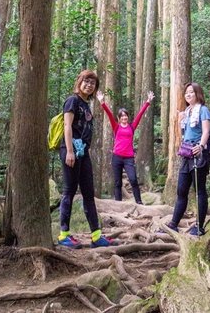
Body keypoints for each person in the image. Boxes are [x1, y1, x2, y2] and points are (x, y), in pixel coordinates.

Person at [58, 69, 115, 249]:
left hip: (83, 153)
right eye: (86, 81)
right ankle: (63, 235)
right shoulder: (72, 101)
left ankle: (96, 236)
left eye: (92, 83)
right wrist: (69, 151)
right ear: (79, 82)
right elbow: (67, 127)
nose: (89, 85)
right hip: (71, 151)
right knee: (69, 191)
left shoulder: (86, 104)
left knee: (89, 193)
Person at [164, 82, 210, 237]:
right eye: (186, 93)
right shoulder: (187, 111)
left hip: (198, 152)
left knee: (199, 190)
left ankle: (199, 226)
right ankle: (173, 224)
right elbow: (185, 132)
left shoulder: (203, 110)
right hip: (186, 152)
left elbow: (206, 130)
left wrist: (202, 146)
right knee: (181, 190)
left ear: (198, 94)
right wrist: (180, 121)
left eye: (191, 92)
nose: (188, 95)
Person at [97, 89, 155, 204]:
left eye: (125, 116)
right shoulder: (116, 127)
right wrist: (102, 102)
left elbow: (140, 114)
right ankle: (118, 204)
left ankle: (139, 202)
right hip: (117, 157)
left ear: (128, 117)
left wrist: (148, 102)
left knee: (133, 179)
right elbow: (109, 114)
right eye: (122, 116)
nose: (124, 118)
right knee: (118, 182)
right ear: (119, 118)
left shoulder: (132, 127)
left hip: (129, 158)